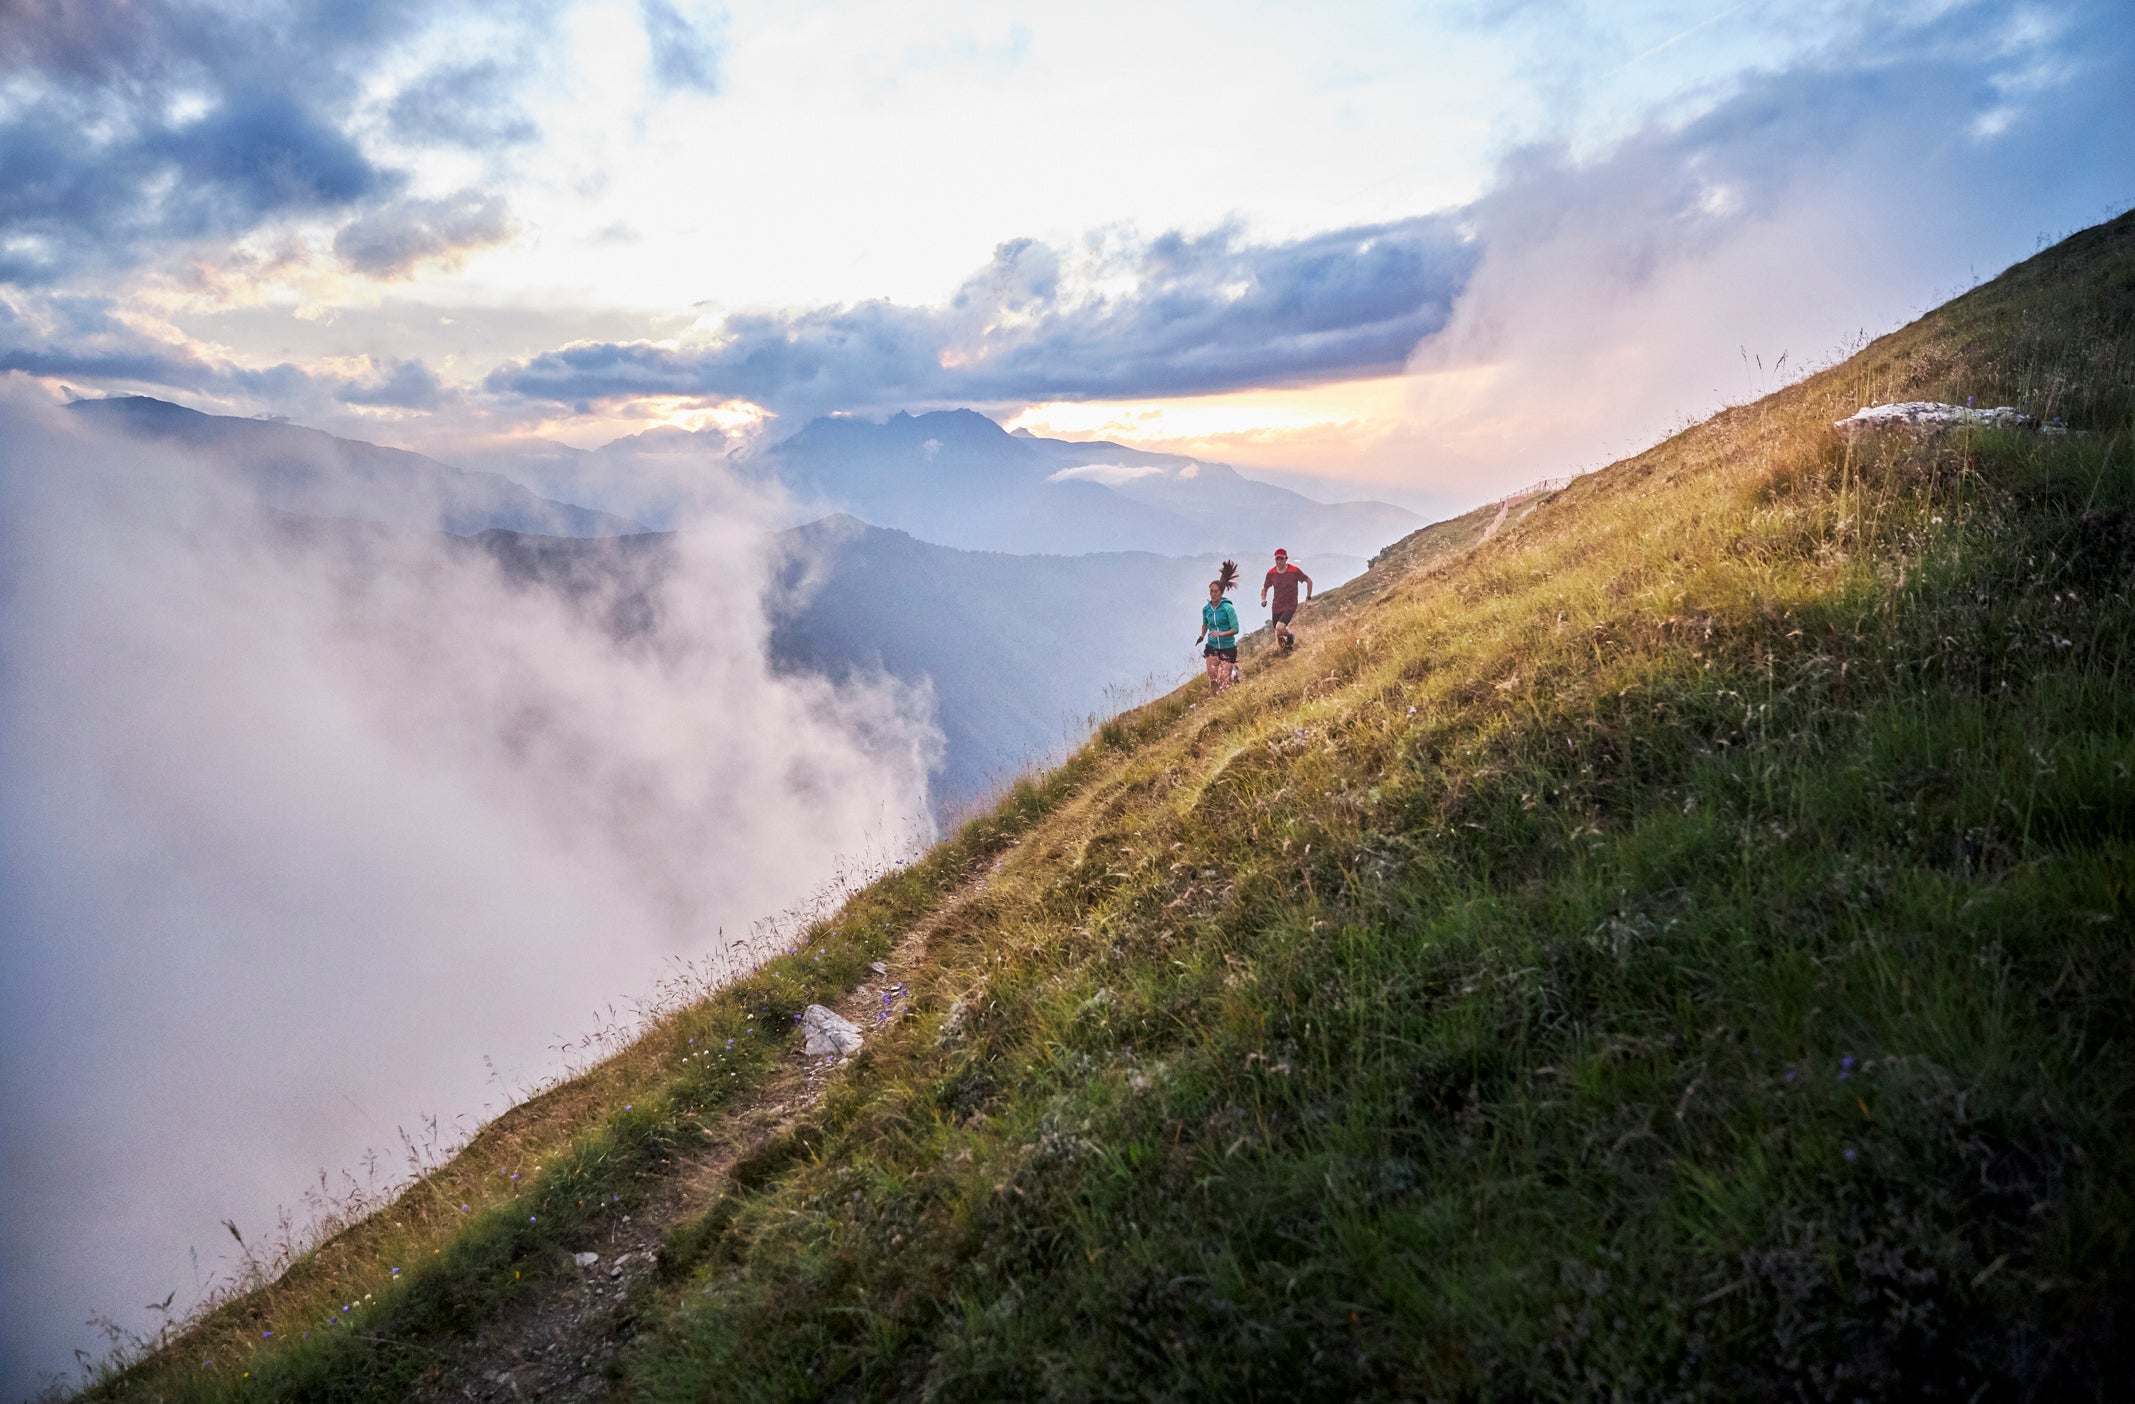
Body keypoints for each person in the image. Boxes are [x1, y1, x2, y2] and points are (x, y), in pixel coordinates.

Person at [1195, 560, 1242, 694]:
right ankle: (1215, 704)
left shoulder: (1228, 608)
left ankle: (1233, 673)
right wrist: (1202, 635)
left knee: (1223, 679)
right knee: (1213, 679)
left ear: (1221, 593)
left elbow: (1235, 629)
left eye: (1216, 591)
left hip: (1228, 648)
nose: (1213, 594)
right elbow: (1205, 624)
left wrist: (1220, 634)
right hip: (1212, 647)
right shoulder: (1206, 609)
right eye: (1211, 591)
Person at [1260, 548, 1313, 652]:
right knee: (1278, 633)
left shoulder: (1294, 571)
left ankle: (1288, 644)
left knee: (1279, 628)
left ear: (1286, 559)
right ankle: (1286, 649)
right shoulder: (1271, 573)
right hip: (1276, 606)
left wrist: (1308, 598)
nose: (1279, 561)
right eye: (1277, 559)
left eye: (1281, 559)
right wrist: (1263, 599)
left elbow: (1309, 581)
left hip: (1290, 605)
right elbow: (1264, 588)